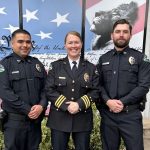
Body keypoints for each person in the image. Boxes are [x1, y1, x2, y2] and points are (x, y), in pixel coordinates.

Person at [96, 19, 150, 150]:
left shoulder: (140, 58)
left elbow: (144, 86)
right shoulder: (103, 59)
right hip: (108, 116)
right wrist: (108, 101)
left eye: (125, 32)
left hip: (130, 116)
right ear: (112, 35)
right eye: (118, 31)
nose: (121, 34)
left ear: (130, 35)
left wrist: (121, 103)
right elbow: (98, 85)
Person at [45, 31, 99, 150]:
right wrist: (66, 105)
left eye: (76, 42)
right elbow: (49, 90)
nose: (73, 46)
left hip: (82, 120)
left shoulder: (91, 68)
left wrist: (79, 105)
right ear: (65, 45)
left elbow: (95, 91)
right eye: (70, 42)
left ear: (81, 44)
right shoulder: (55, 66)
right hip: (59, 118)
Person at [0, 29, 47, 150]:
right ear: (12, 43)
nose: (25, 45)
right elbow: (4, 92)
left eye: (28, 42)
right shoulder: (4, 64)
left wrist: (41, 106)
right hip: (14, 123)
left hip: (34, 123)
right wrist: (28, 110)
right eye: (20, 41)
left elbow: (46, 89)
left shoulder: (37, 64)